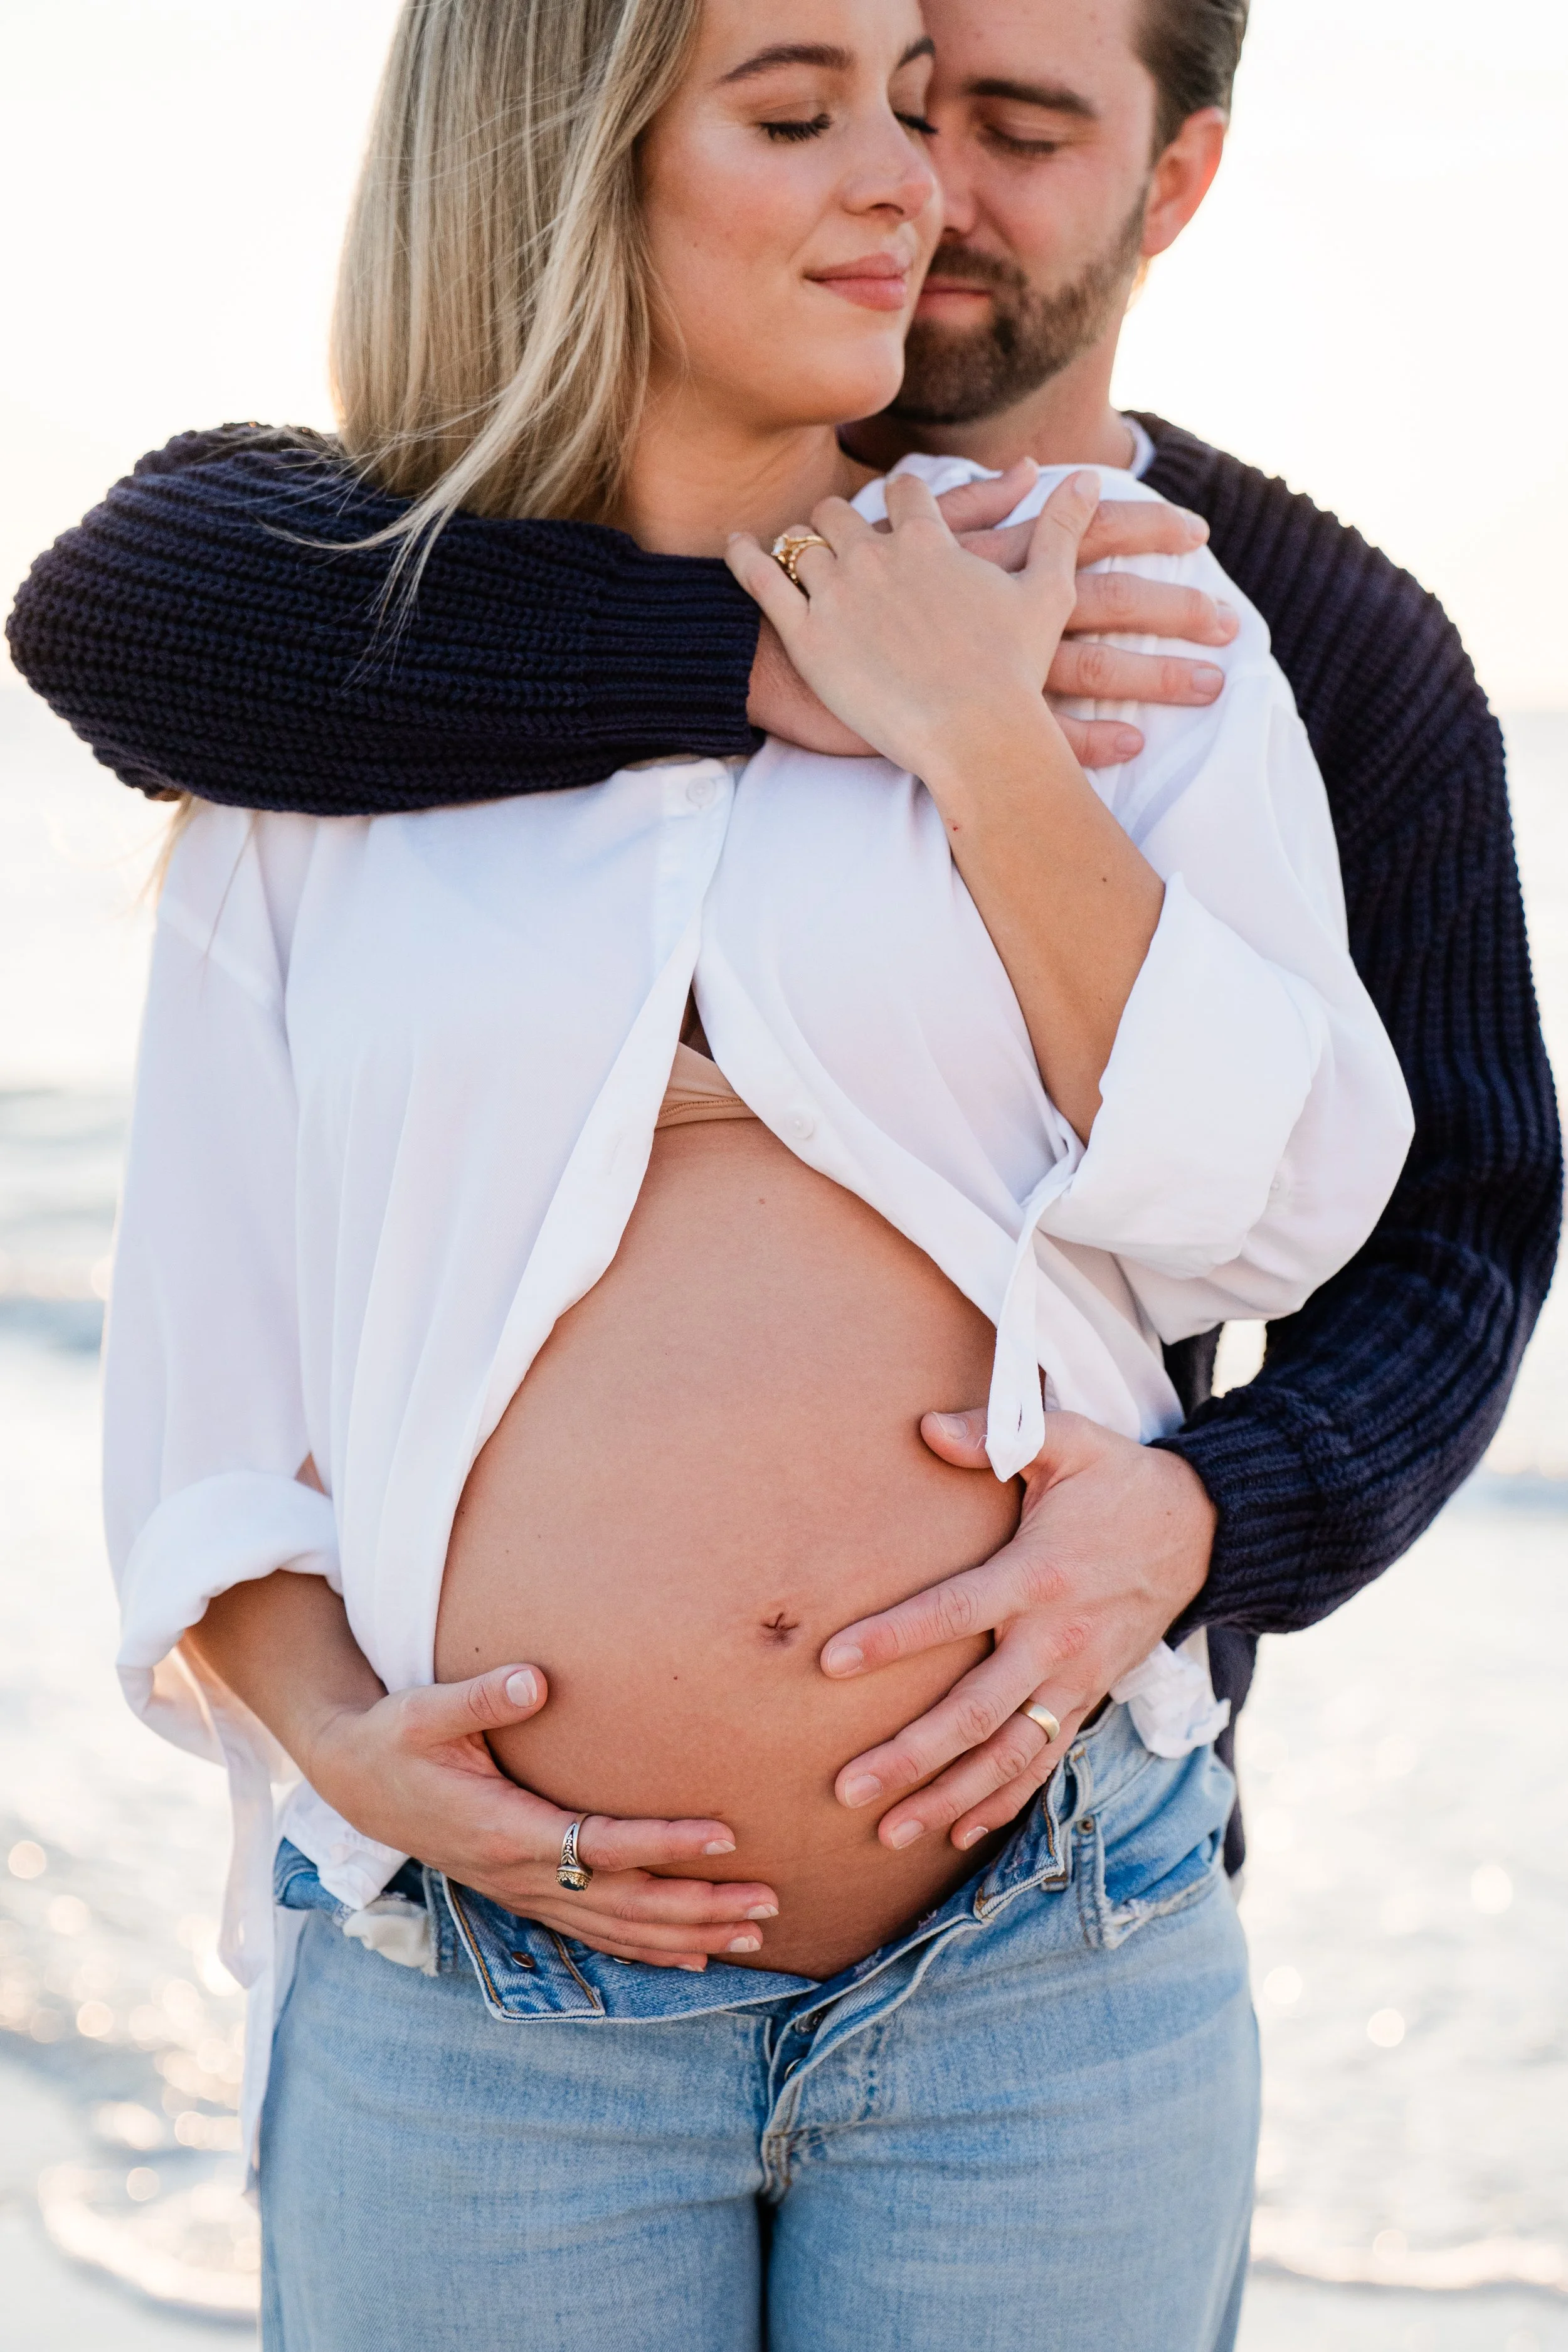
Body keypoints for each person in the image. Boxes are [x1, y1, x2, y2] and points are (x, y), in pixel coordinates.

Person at [56, 0, 1420, 2344]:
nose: (908, 181)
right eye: (800, 114)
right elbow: (205, 1383)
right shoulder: (328, 697)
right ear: (571, 170)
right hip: (477, 1994)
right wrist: (352, 1752)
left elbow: (1282, 1202)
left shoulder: (1103, 594)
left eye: (916, 102)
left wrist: (977, 738)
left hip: (1037, 1966)